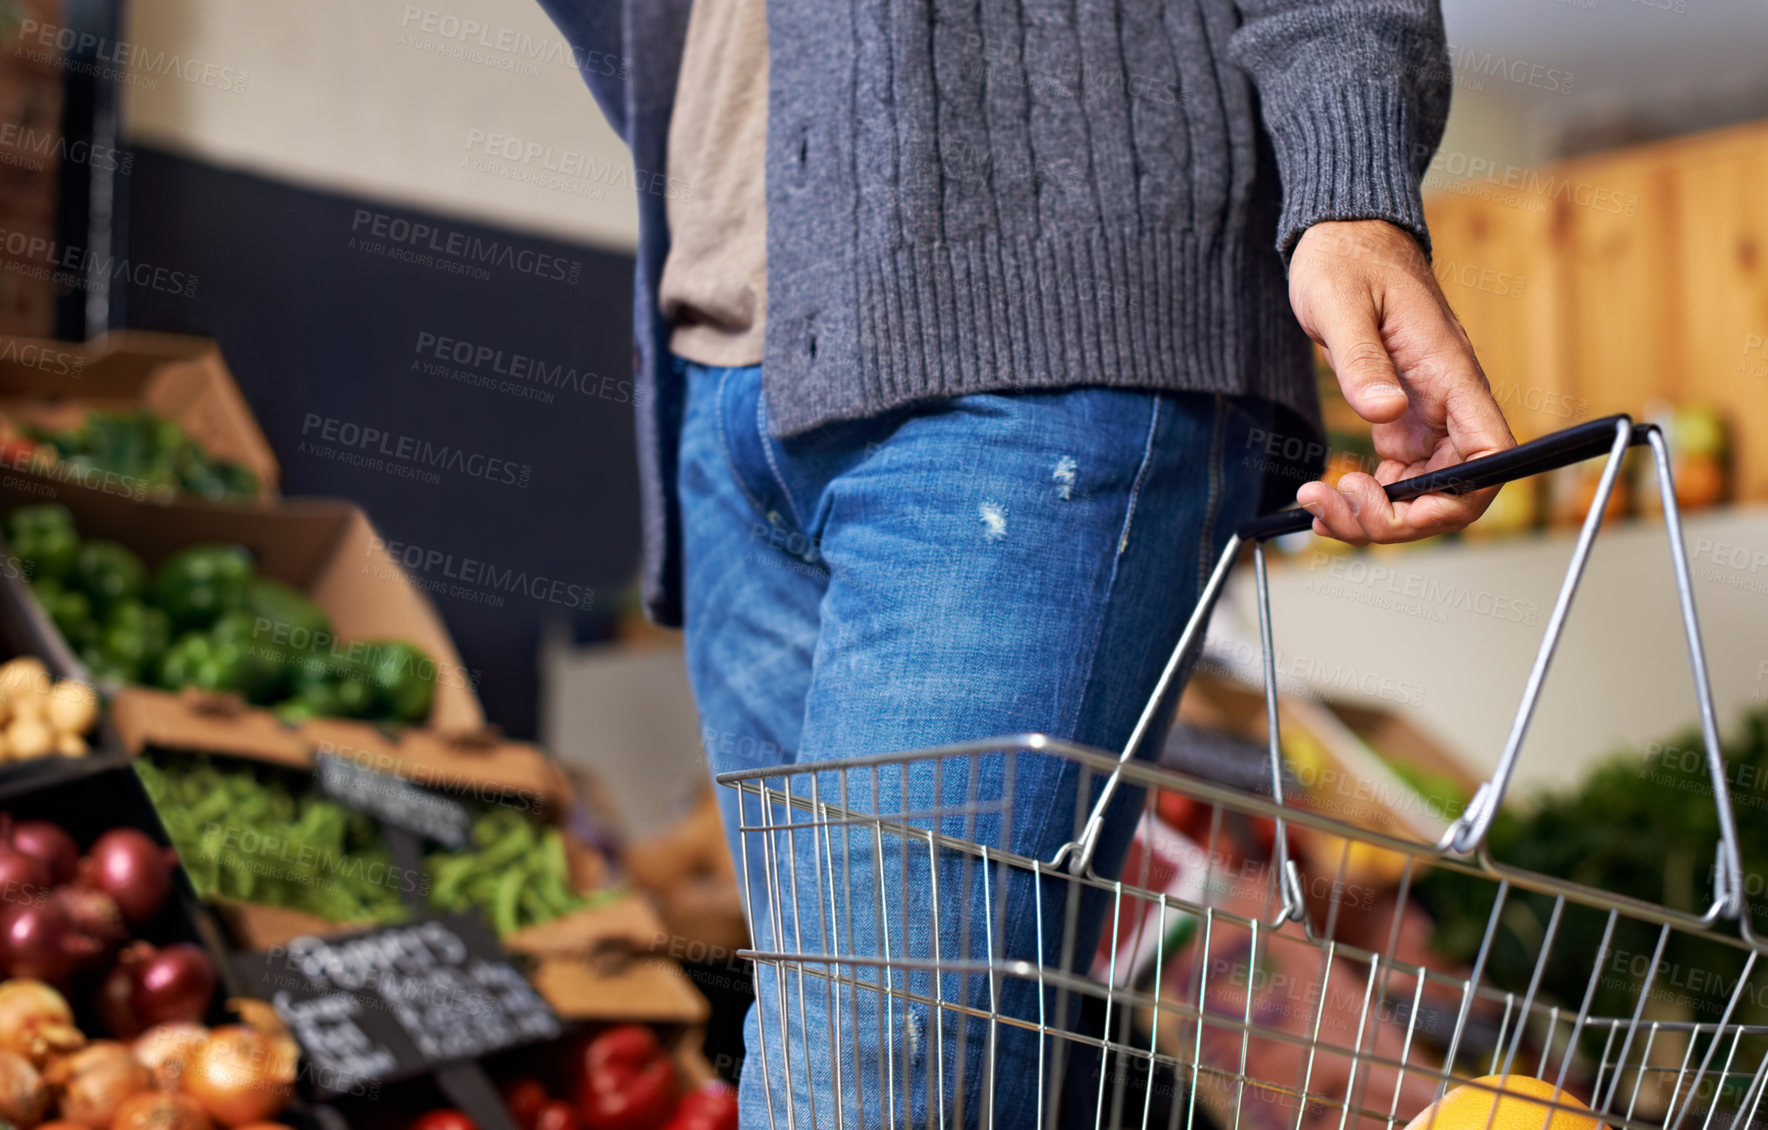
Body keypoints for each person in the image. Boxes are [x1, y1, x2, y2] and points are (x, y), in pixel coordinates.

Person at [536, 0, 1515, 1125]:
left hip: (1044, 318)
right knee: (857, 1048)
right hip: (719, 357)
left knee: (864, 1088)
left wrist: (1348, 183)